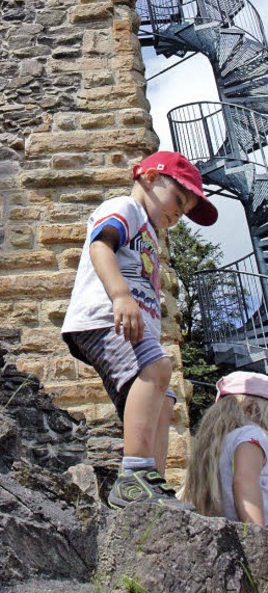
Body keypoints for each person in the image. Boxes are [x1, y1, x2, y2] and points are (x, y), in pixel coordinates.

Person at [61, 150, 218, 510]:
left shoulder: (150, 234)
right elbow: (101, 246)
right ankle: (133, 475)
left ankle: (150, 488)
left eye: (184, 213)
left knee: (165, 400)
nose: (178, 215)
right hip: (104, 317)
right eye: (178, 201)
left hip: (127, 324)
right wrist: (120, 296)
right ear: (149, 177)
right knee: (157, 368)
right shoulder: (126, 209)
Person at [184, 371, 268, 526]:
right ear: (250, 408)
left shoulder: (216, 445)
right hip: (256, 532)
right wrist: (259, 535)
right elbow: (245, 481)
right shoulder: (252, 434)